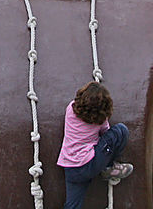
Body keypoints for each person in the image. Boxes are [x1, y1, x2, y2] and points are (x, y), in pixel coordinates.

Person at [57, 81, 132, 209]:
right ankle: (108, 168)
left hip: (70, 167)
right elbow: (106, 135)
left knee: (72, 205)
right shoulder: (100, 119)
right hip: (89, 163)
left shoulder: (70, 109)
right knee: (120, 130)